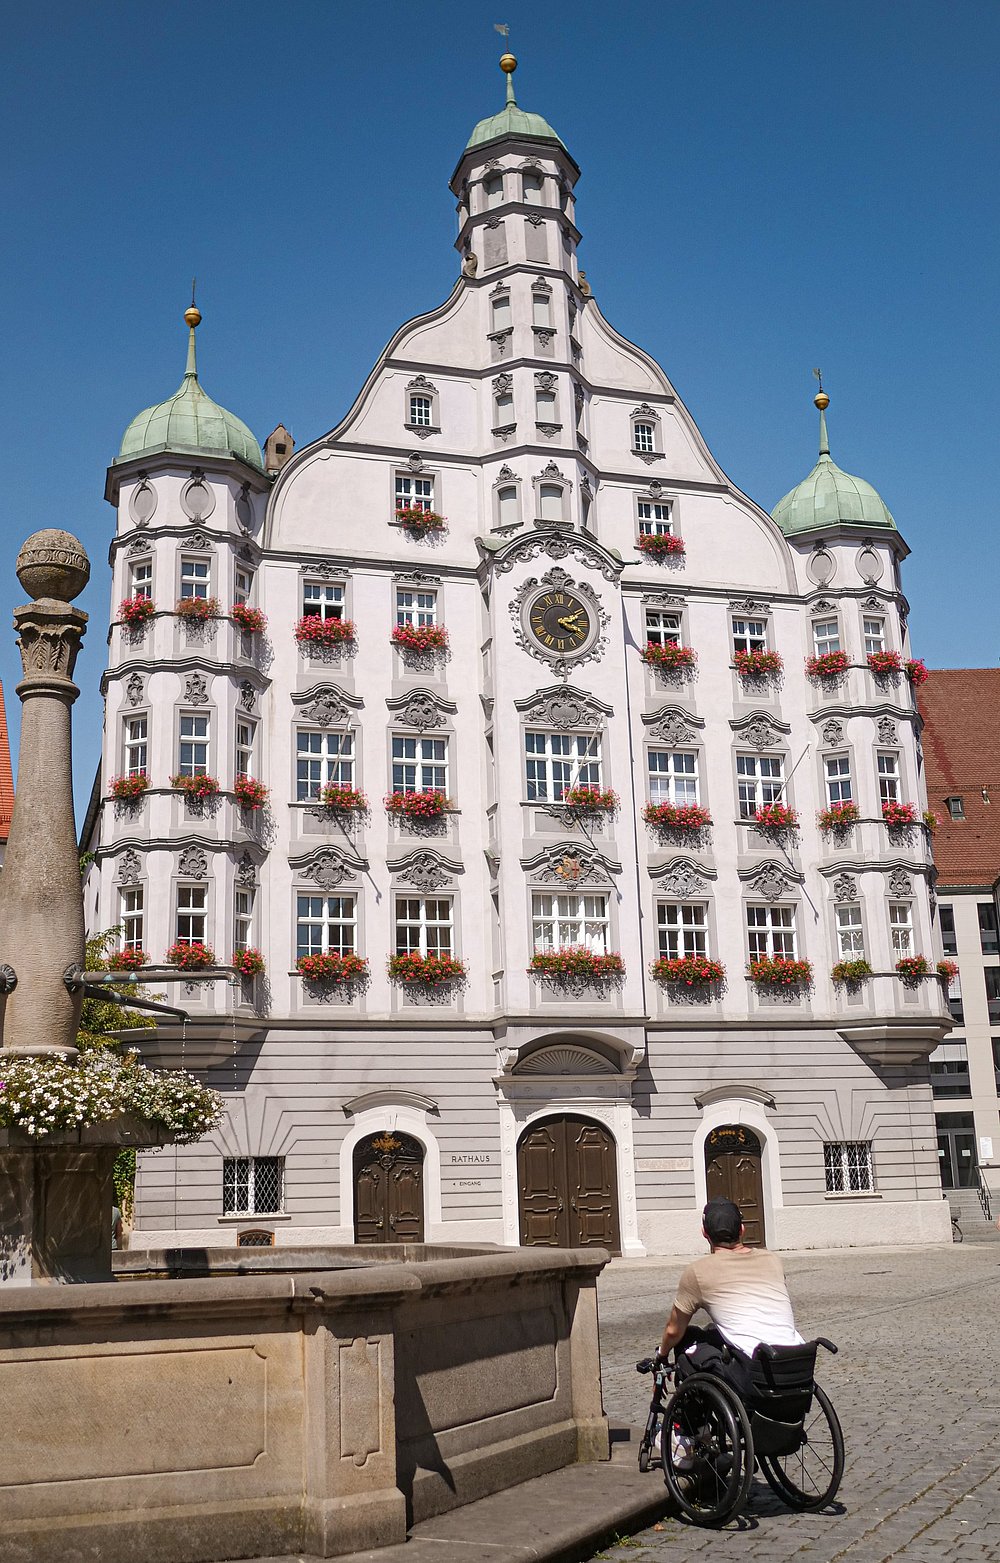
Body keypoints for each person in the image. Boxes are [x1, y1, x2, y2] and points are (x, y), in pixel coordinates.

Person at [658, 1197, 802, 1397]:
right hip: (797, 1364)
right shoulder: (773, 1260)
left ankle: (692, 1424)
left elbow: (673, 1330)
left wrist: (662, 1355)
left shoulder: (698, 1271)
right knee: (711, 1333)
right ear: (742, 1230)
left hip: (754, 1374)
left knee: (687, 1341)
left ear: (704, 1233)